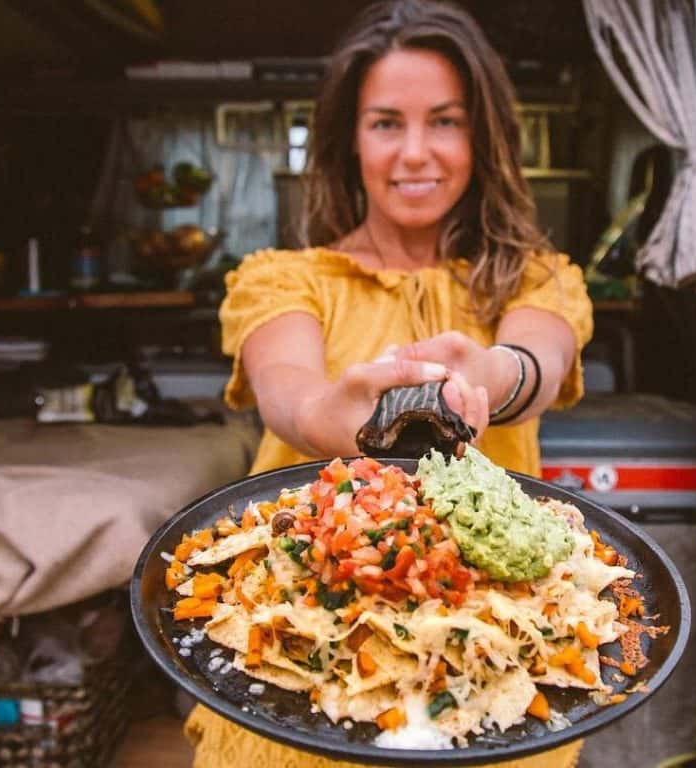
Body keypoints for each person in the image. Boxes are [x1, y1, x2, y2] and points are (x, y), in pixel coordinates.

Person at [183, 1, 593, 766]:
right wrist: (321, 415)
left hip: (491, 682)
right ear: (347, 138)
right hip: (299, 686)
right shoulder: (284, 280)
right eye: (385, 123)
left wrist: (494, 374)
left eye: (445, 121)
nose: (415, 152)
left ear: (484, 136)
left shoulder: (535, 278)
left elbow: (540, 360)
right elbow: (287, 385)